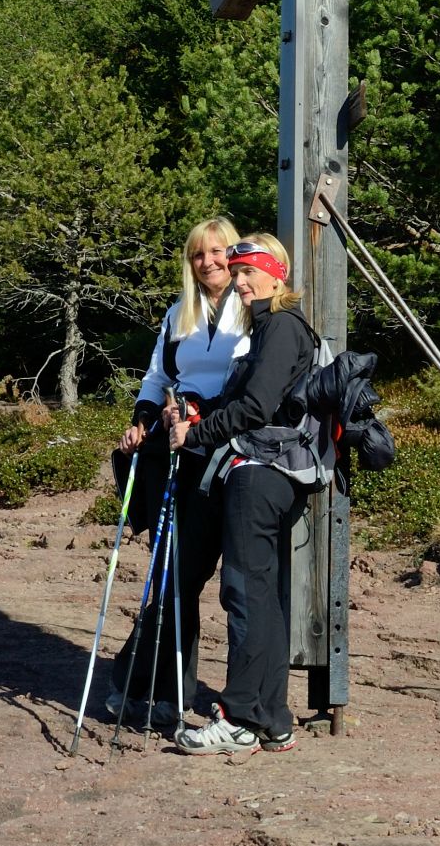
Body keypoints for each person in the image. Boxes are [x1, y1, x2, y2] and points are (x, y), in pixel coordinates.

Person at [169, 233, 317, 757]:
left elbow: (255, 408)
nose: (240, 281)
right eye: (237, 273)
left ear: (278, 273)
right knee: (263, 598)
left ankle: (239, 719)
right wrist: (196, 413)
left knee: (245, 596)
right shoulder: (270, 328)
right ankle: (272, 719)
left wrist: (197, 433)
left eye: (250, 271)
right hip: (267, 474)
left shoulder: (279, 327)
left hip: (260, 474)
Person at [104, 215, 250, 724]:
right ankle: (162, 691)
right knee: (172, 572)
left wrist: (201, 412)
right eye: (197, 254)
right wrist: (144, 419)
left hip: (231, 449)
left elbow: (251, 381)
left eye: (216, 252)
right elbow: (158, 376)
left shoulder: (252, 307)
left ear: (234, 253)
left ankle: (222, 698)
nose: (207, 262)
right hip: (177, 451)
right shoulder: (177, 314)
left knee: (217, 578)